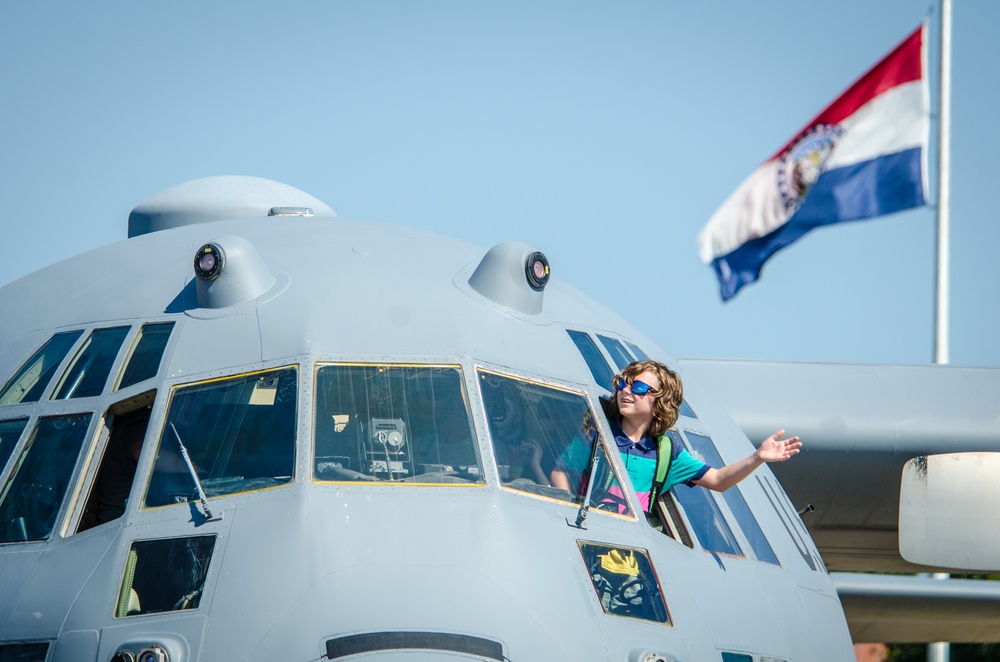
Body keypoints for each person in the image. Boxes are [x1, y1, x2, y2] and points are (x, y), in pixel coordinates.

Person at [597, 359, 800, 514]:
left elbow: (718, 480)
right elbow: (564, 470)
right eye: (622, 384)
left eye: (638, 387)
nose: (625, 391)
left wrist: (758, 457)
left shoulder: (667, 453)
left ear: (661, 402)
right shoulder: (598, 430)